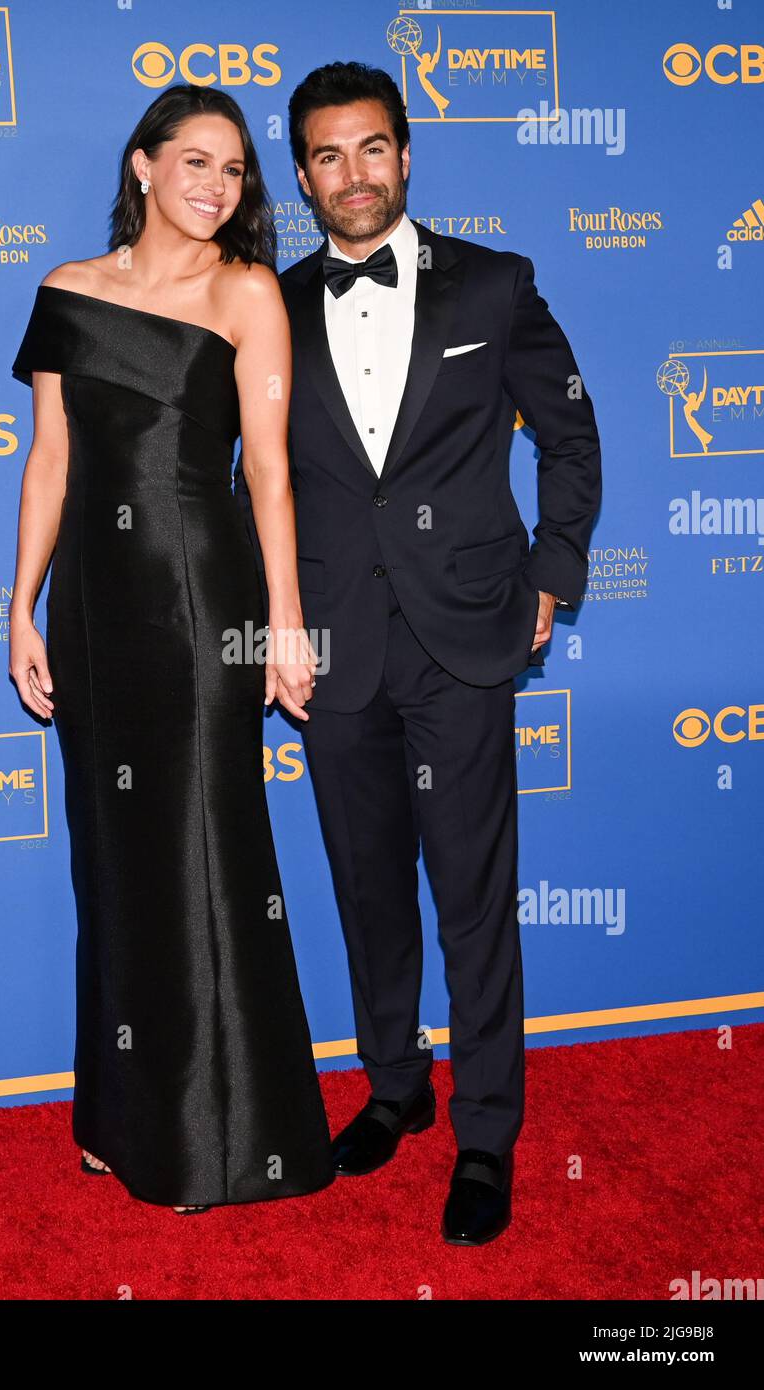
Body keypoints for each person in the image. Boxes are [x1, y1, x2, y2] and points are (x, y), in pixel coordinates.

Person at [234, 61, 602, 1244]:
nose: (354, 173)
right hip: (332, 652)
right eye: (328, 156)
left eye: (372, 148)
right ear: (301, 175)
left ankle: (487, 1131)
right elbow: (254, 481)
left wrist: (555, 568)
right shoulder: (272, 306)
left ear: (407, 152)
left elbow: (572, 428)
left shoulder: (494, 286)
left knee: (474, 901)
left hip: (465, 642)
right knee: (366, 891)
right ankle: (396, 1085)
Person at [8, 83, 334, 1214]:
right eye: (195, 161)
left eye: (235, 170)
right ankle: (121, 1114)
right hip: (94, 613)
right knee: (114, 858)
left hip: (204, 601)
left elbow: (271, 475)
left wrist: (284, 624)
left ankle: (217, 1138)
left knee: (204, 850)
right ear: (142, 166)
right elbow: (49, 462)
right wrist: (20, 606)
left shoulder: (248, 296)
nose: (215, 186)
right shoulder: (68, 289)